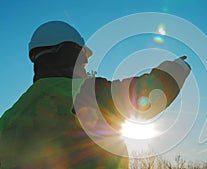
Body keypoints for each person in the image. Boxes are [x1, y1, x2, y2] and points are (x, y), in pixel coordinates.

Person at [0, 21, 191, 169]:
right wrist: (176, 69)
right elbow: (147, 97)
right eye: (82, 62)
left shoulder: (9, 118)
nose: (84, 68)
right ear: (66, 54)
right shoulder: (79, 93)